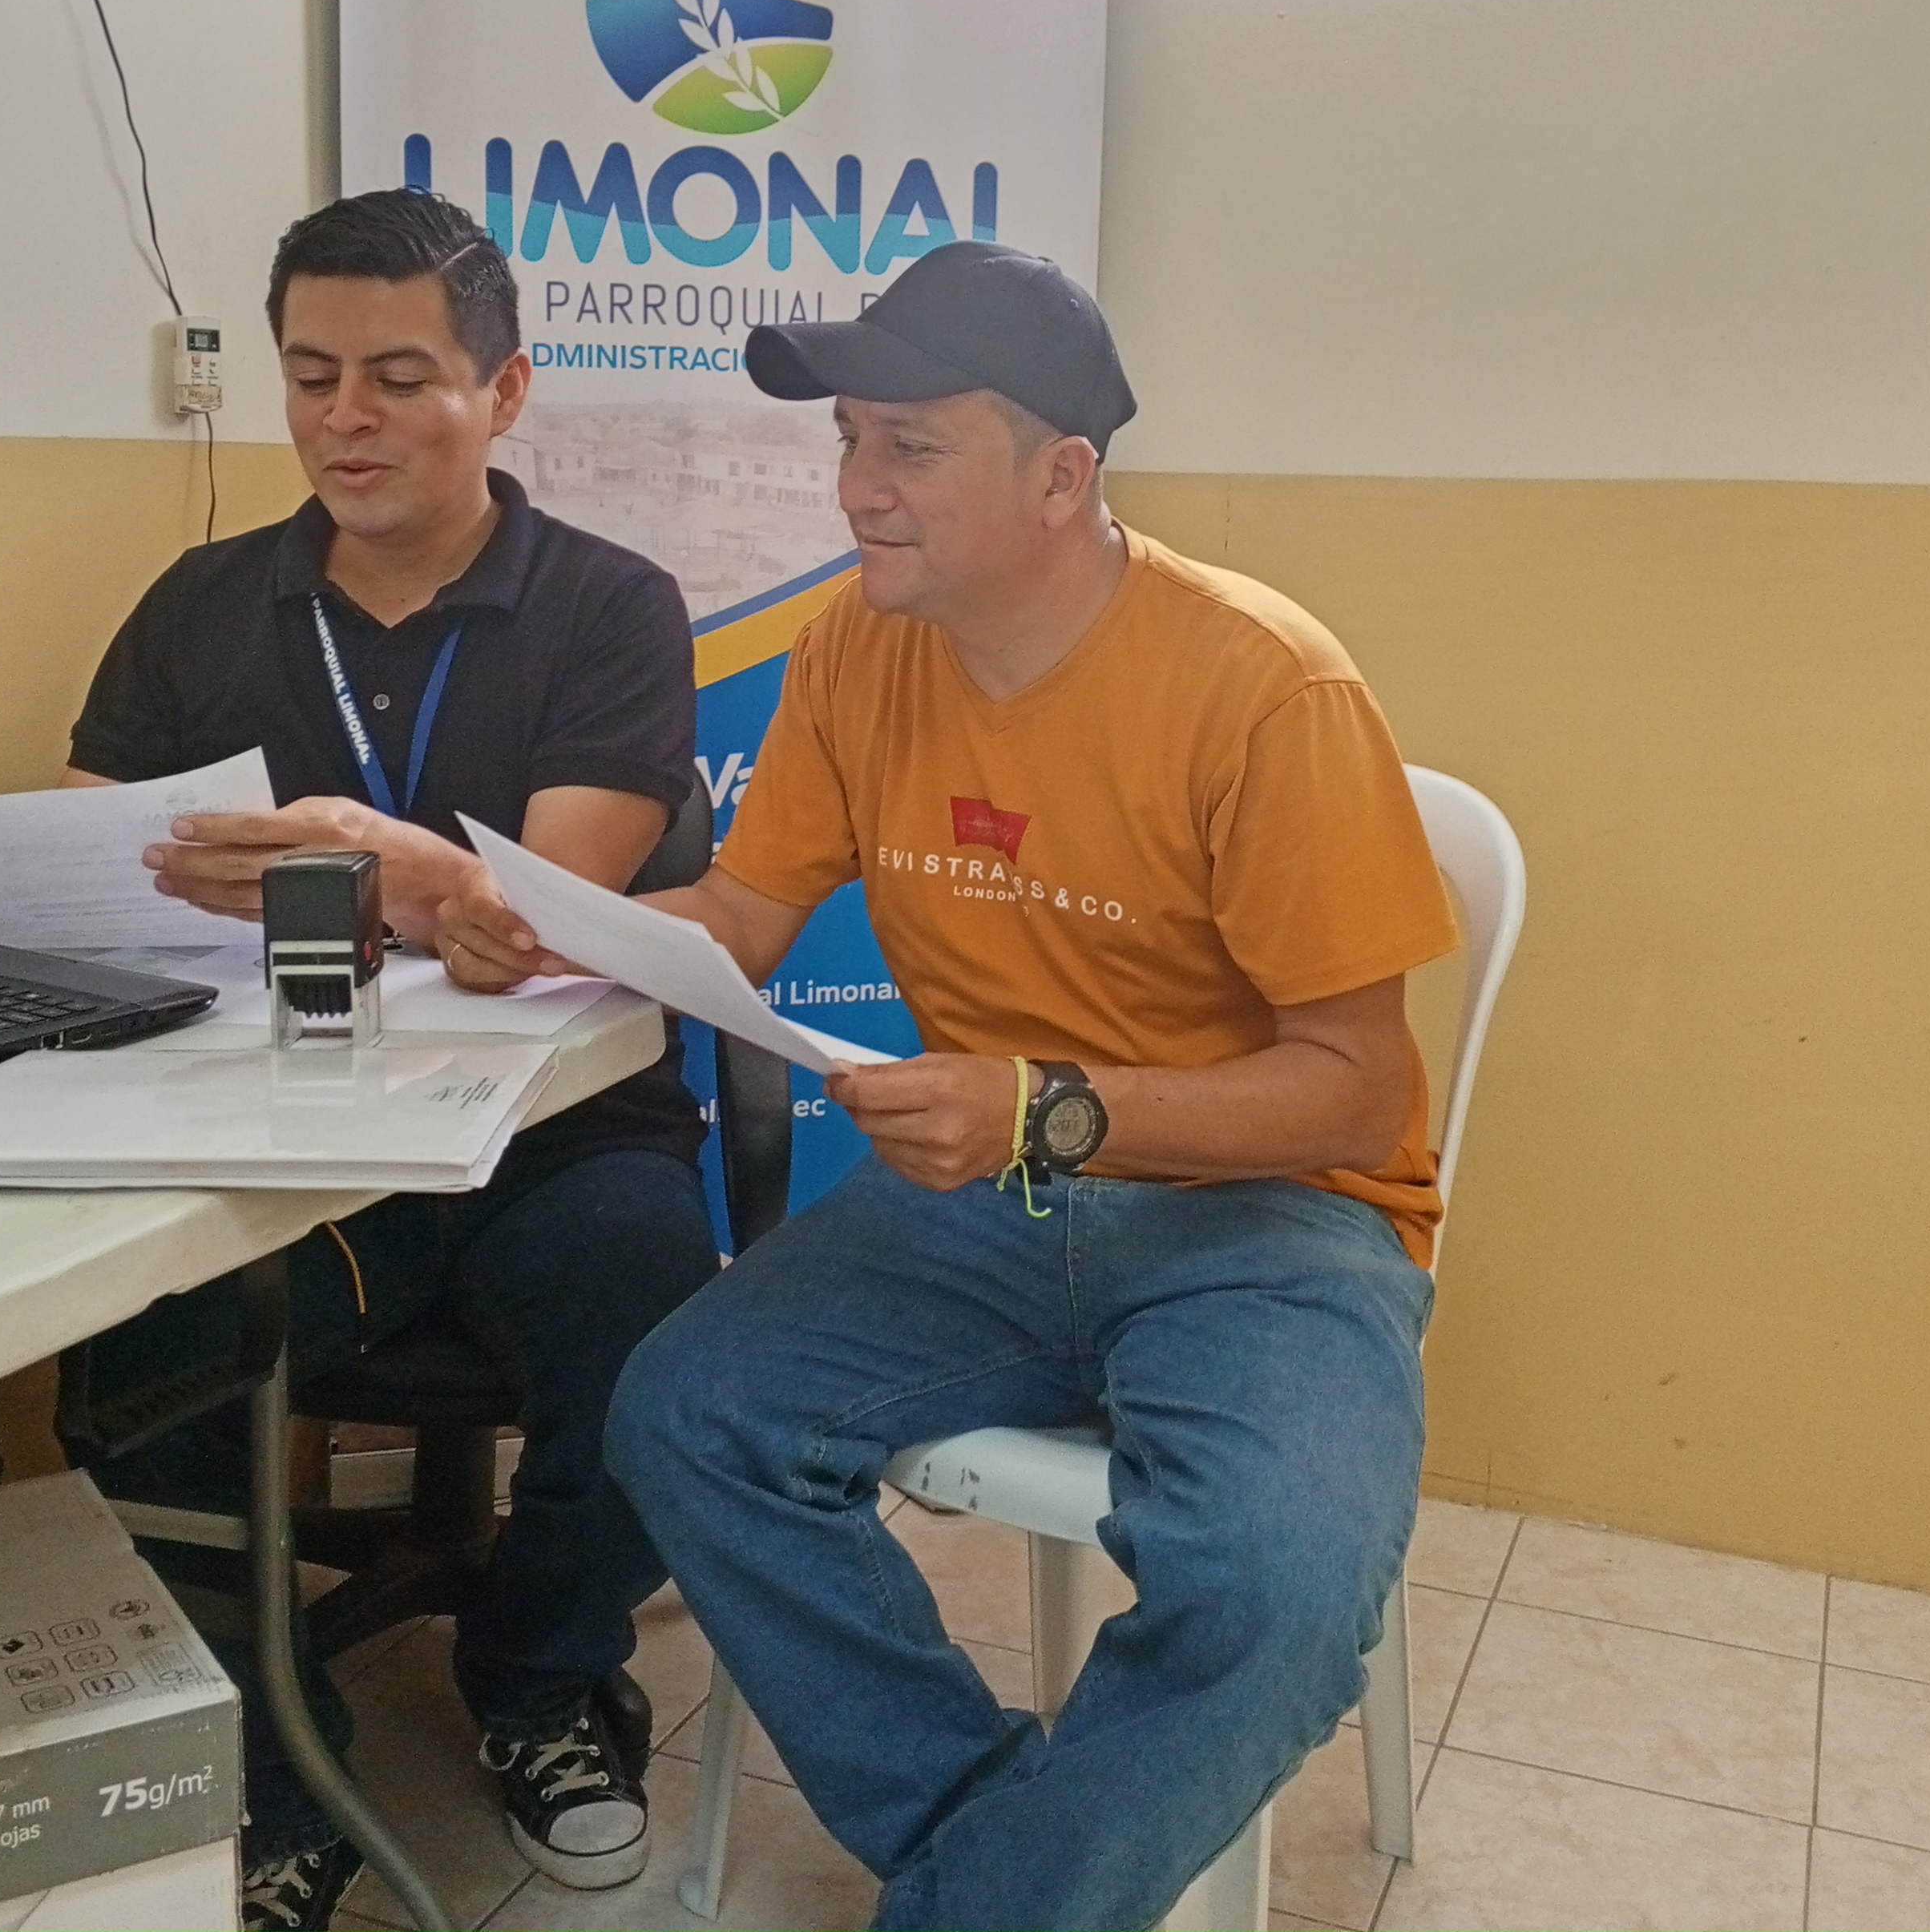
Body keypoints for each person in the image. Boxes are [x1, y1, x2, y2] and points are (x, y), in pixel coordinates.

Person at [0, 190, 719, 1928]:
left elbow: (545, 914)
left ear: (506, 391)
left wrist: (361, 855)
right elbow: (35, 884)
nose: (345, 420)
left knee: (656, 1332)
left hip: (549, 1133)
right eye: (312, 377)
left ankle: (538, 1678)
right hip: (273, 1129)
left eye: (399, 379)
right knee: (143, 1360)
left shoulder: (609, 605)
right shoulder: (206, 603)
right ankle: (279, 1773)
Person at [435, 243, 1461, 1932]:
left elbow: (1354, 1095)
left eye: (910, 446)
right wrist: (558, 934)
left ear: (1064, 477)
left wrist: (1046, 1110)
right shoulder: (857, 649)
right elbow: (742, 919)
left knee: (1274, 1591)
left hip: (1269, 1220)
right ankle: (997, 1867)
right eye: (850, 439)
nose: (856, 489)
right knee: (684, 1413)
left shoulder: (1261, 684)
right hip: (985, 1203)